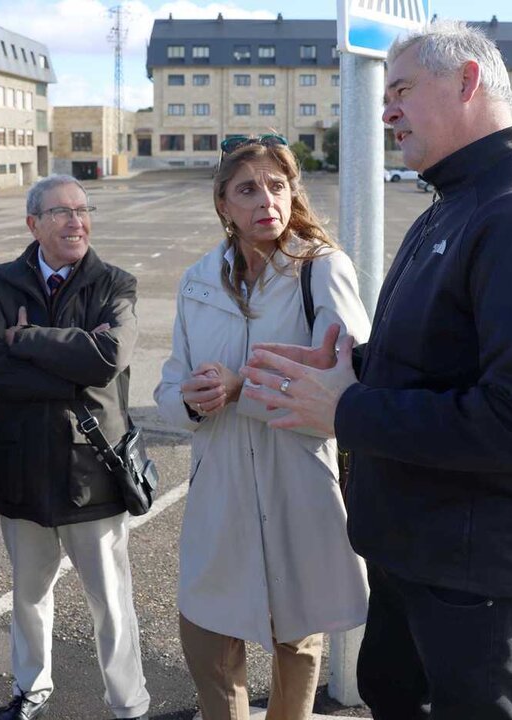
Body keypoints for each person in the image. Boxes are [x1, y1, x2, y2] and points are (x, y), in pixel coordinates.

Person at [241, 21, 512, 720]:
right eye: (387, 95)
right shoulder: (455, 201)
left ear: (468, 82)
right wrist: (351, 368)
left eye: (403, 90)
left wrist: (346, 410)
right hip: (420, 551)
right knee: (392, 694)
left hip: (480, 572)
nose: (386, 111)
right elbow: (437, 356)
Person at [153, 135, 370, 720]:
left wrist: (240, 390)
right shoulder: (198, 278)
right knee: (209, 640)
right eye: (248, 188)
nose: (266, 200)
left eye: (278, 186)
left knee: (295, 636)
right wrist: (193, 403)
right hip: (219, 484)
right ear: (223, 202)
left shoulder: (320, 269)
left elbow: (350, 384)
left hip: (294, 479)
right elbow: (169, 389)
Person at [0, 175, 149, 720]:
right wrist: (71, 373)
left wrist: (26, 340)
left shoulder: (115, 282)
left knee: (110, 602)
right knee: (28, 596)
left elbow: (108, 357)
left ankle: (129, 703)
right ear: (33, 224)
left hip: (91, 469)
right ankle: (32, 688)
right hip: (19, 467)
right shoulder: (1, 282)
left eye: (83, 210)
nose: (76, 221)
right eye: (62, 212)